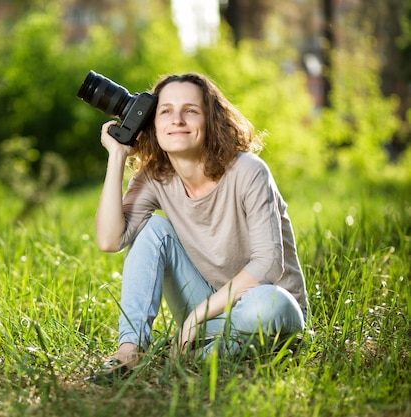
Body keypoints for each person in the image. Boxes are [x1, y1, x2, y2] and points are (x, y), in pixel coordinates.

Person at [88, 73, 308, 384]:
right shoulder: (155, 177)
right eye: (165, 111)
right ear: (151, 124)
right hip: (212, 312)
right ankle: (129, 351)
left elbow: (268, 265)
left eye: (190, 110)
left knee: (264, 305)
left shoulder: (248, 171)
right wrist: (117, 157)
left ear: (212, 120)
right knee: (152, 230)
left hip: (268, 311)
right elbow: (110, 240)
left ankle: (204, 352)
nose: (177, 119)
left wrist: (195, 317)